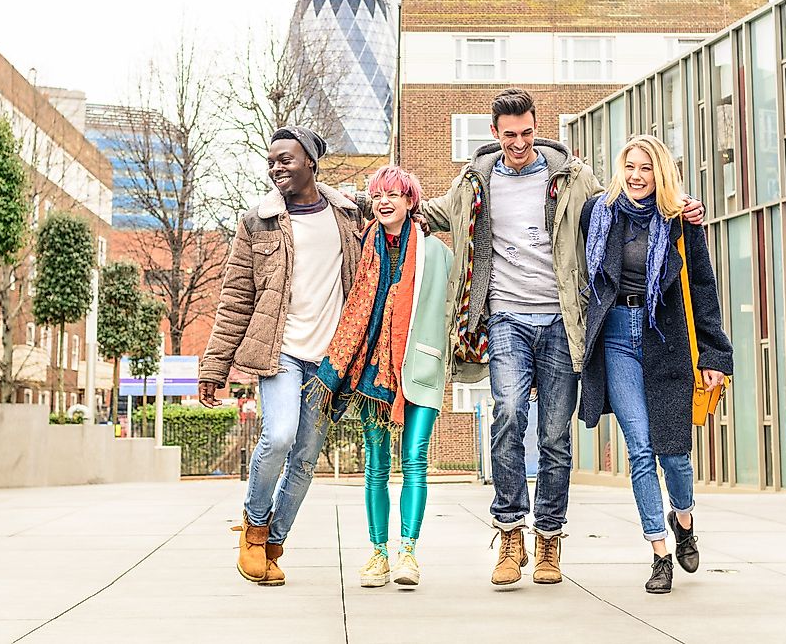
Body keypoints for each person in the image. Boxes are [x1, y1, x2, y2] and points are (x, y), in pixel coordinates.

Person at [417, 89, 706, 586]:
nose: (519, 143)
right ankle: (511, 532)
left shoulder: (573, 178)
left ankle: (549, 537)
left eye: (527, 132)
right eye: (510, 135)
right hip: (506, 316)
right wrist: (368, 201)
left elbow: (627, 203)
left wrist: (683, 208)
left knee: (555, 435)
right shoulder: (475, 181)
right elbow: (430, 212)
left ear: (537, 127)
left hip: (562, 322)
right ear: (494, 134)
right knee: (508, 412)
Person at [197, 126, 362, 587]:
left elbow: (400, 206)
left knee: (307, 457)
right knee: (279, 436)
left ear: (310, 161)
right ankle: (252, 528)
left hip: (328, 359)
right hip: (281, 350)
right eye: (271, 161)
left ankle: (274, 543)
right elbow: (235, 299)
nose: (276, 168)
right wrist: (215, 367)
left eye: (285, 160)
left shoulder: (349, 215)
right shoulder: (257, 222)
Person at [578, 134, 733, 594]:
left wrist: (713, 354)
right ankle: (659, 551)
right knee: (641, 450)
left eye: (645, 168)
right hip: (615, 338)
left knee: (674, 452)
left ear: (660, 173)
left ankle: (683, 520)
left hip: (664, 339)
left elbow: (703, 288)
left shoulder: (681, 223)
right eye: (629, 166)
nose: (636, 176)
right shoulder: (598, 214)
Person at [306, 166, 452, 588]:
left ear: (411, 202)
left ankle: (409, 554)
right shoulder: (359, 249)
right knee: (375, 466)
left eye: (394, 194)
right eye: (377, 195)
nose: (384, 202)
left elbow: (448, 308)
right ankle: (378, 555)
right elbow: (329, 197)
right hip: (372, 371)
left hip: (420, 367)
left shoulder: (434, 252)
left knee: (415, 460)